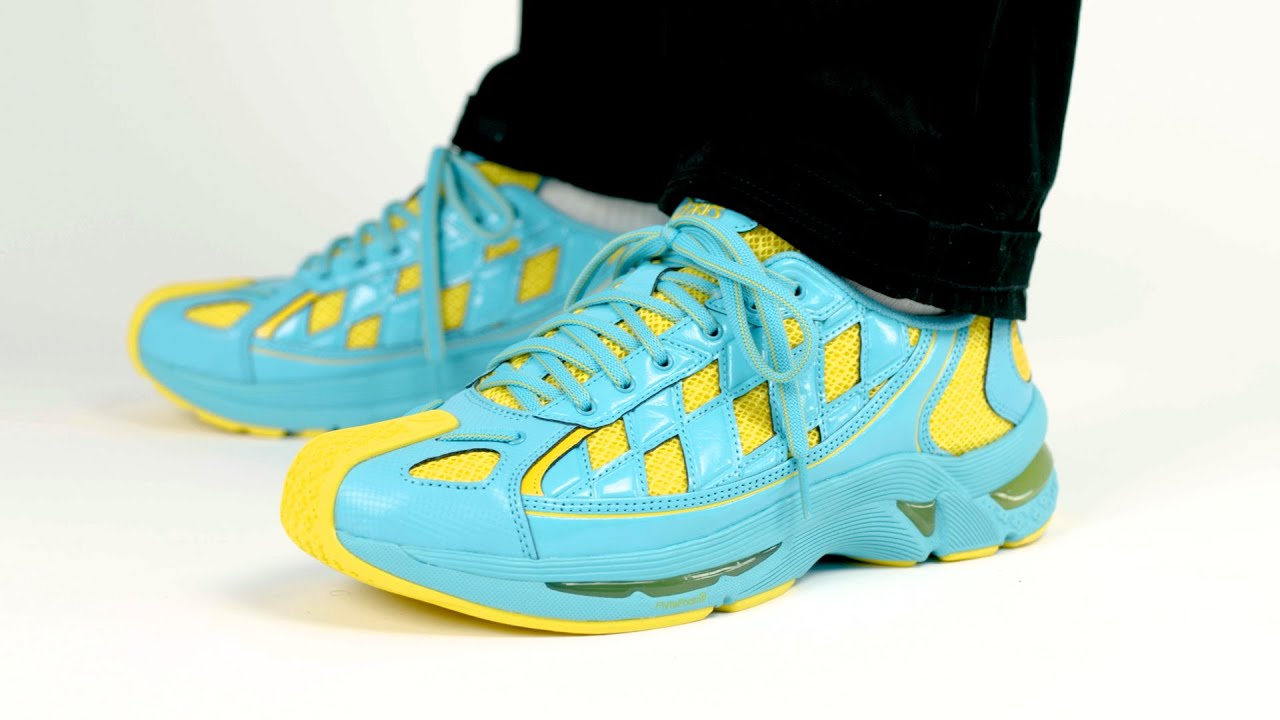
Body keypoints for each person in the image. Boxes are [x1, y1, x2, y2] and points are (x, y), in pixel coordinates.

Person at [147, 1, 1080, 631]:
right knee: (614, 93)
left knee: (858, 163)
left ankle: (874, 278)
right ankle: (598, 171)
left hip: (885, 274)